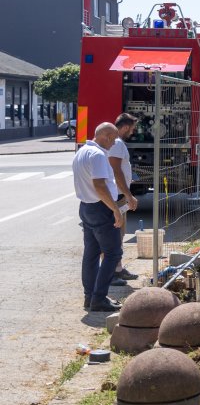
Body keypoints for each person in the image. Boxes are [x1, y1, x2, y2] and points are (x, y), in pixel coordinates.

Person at [73, 122, 124, 312]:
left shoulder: (82, 152)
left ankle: (89, 297)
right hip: (100, 208)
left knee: (91, 254)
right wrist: (115, 209)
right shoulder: (98, 155)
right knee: (113, 254)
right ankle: (99, 298)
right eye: (114, 139)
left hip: (86, 207)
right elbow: (100, 186)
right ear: (107, 136)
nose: (114, 144)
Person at [108, 113, 139, 285]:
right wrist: (128, 194)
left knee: (118, 234)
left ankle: (118, 269)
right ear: (125, 127)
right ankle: (112, 272)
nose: (132, 132)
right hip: (118, 197)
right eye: (132, 129)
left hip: (117, 195)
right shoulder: (117, 143)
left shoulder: (115, 142)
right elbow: (115, 170)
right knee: (115, 235)